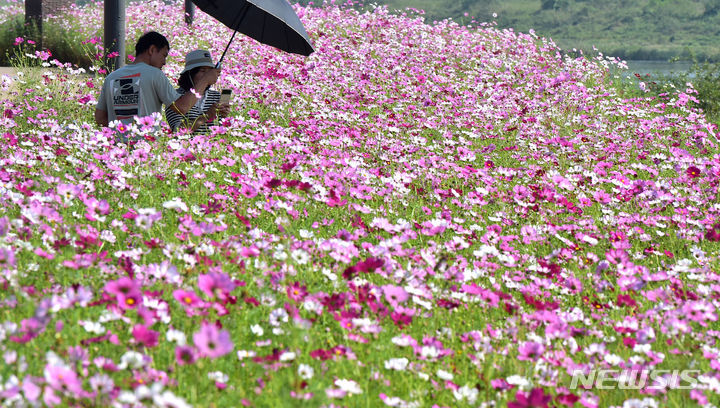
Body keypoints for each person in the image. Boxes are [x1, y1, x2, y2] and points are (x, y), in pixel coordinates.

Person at [94, 31, 218, 133]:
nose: (164, 62)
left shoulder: (111, 77)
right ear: (152, 50)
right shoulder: (155, 74)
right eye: (164, 55)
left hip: (116, 148)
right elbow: (182, 107)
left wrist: (123, 132)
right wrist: (205, 80)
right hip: (146, 147)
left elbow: (100, 118)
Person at [165, 49, 230, 134]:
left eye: (209, 71)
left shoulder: (216, 96)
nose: (208, 76)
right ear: (190, 74)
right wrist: (206, 116)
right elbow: (178, 131)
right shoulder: (175, 96)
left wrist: (223, 118)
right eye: (202, 71)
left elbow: (221, 132)